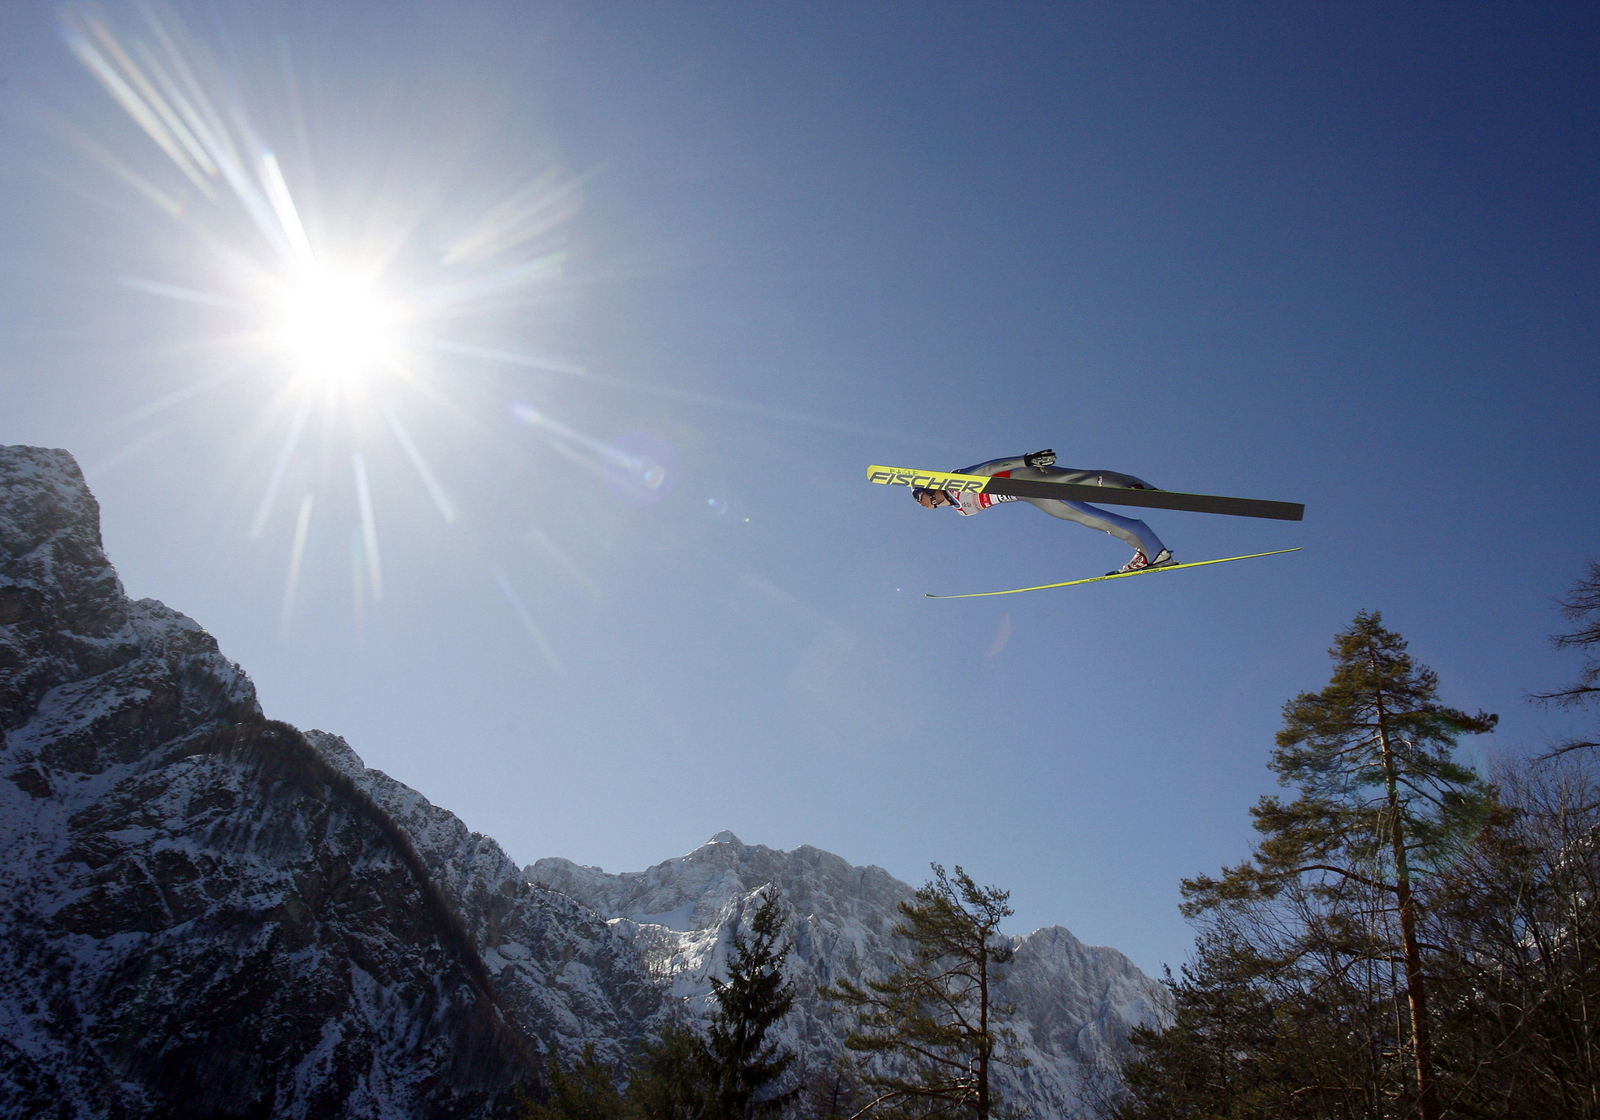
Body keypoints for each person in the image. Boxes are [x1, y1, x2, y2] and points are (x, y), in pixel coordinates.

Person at [912, 449, 1176, 574]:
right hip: (1029, 495)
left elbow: (989, 468)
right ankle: (1153, 551)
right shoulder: (962, 511)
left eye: (918, 495)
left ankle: (1139, 488)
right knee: (1087, 518)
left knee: (1083, 479)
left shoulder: (954, 481)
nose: (919, 502)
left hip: (1024, 477)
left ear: (928, 487)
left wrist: (1025, 461)